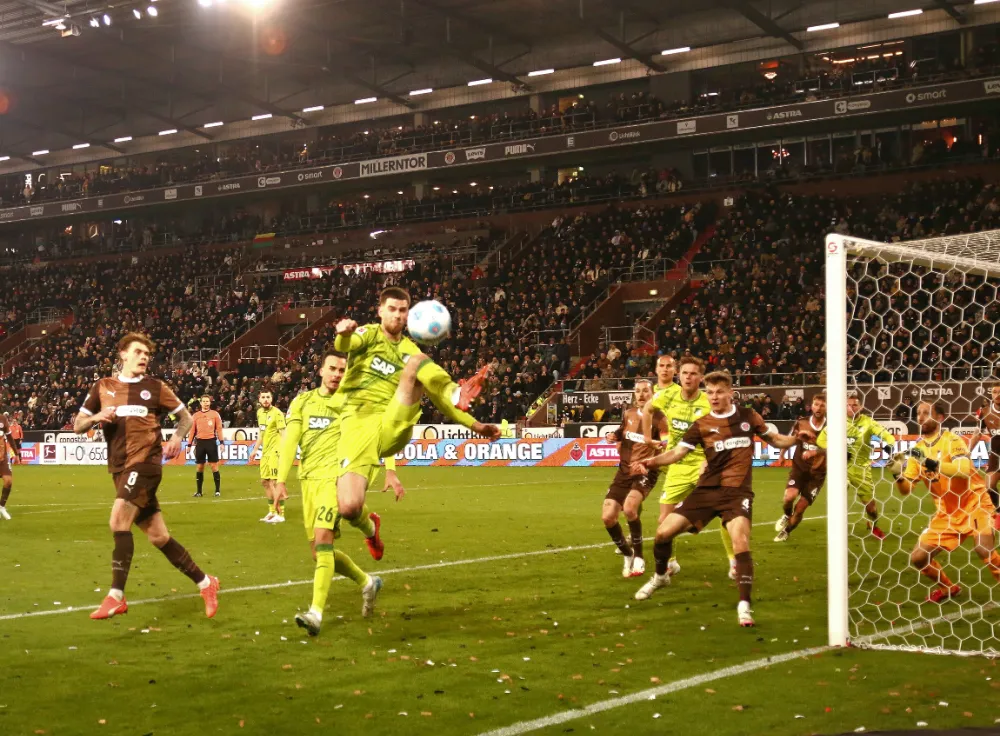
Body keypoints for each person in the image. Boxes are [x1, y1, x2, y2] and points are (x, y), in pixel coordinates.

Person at [333, 287, 499, 558]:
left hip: (392, 422)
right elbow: (346, 346)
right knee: (349, 507)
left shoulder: (411, 351)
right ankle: (370, 529)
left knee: (417, 363)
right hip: (357, 426)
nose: (398, 316)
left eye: (402, 311)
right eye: (392, 310)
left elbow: (437, 398)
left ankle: (457, 390)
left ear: (409, 315)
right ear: (380, 311)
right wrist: (344, 334)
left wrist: (475, 426)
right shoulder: (368, 334)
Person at [631, 371, 798, 627]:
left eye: (719, 391)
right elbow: (676, 453)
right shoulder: (702, 424)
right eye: (709, 392)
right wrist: (649, 463)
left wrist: (797, 439)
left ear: (731, 392)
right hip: (707, 491)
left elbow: (774, 439)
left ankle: (744, 606)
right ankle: (660, 576)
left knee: (740, 541)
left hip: (737, 494)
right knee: (664, 533)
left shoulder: (748, 417)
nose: (714, 397)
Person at [76, 332, 219, 620]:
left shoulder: (155, 387)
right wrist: (96, 418)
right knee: (158, 536)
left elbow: (186, 418)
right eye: (138, 352)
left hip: (146, 464)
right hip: (119, 467)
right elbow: (78, 424)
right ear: (123, 354)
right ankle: (206, 583)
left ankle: (116, 596)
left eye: (147, 354)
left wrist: (178, 438)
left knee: (118, 520)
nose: (144, 358)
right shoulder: (103, 387)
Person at [274, 349, 386, 636]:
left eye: (342, 370)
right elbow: (291, 440)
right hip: (309, 481)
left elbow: (381, 432)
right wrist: (280, 478)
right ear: (321, 370)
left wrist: (392, 469)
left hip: (335, 479)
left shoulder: (352, 403)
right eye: (332, 368)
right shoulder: (303, 402)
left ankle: (316, 613)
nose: (337, 373)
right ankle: (367, 582)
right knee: (318, 553)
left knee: (323, 543)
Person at [889, 401, 1000, 603]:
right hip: (947, 514)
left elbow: (963, 470)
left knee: (983, 549)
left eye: (926, 413)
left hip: (975, 503)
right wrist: (898, 475)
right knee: (919, 558)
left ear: (939, 418)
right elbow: (906, 490)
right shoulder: (917, 451)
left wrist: (929, 462)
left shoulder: (952, 440)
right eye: (918, 413)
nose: (920, 417)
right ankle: (949, 587)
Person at [643, 356, 734, 578]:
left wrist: (710, 457)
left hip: (706, 464)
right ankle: (671, 563)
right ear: (679, 375)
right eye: (684, 373)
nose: (688, 377)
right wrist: (647, 438)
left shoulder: (708, 401)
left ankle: (734, 561)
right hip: (677, 464)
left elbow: (726, 426)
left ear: (700, 378)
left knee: (727, 513)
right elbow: (647, 409)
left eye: (693, 374)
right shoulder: (666, 396)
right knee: (664, 519)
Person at [603, 379, 666, 578]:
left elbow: (667, 441)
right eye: (637, 391)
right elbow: (623, 432)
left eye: (645, 391)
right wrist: (614, 435)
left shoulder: (660, 418)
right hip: (624, 471)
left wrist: (657, 449)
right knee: (608, 517)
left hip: (646, 471)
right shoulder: (629, 414)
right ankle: (627, 554)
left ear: (652, 393)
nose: (640, 395)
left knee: (630, 508)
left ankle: (639, 556)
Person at [774, 393, 827, 542]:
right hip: (799, 469)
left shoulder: (831, 427)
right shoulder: (801, 423)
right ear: (811, 406)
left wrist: (815, 451)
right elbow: (791, 439)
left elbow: (837, 448)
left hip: (817, 474)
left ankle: (787, 530)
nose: (818, 408)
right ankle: (786, 515)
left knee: (800, 508)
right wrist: (782, 455)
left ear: (827, 407)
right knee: (788, 498)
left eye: (822, 405)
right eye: (816, 404)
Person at [847, 395, 896, 539]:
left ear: (860, 407)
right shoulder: (838, 422)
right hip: (842, 469)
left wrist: (890, 445)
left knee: (872, 508)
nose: (851, 407)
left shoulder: (868, 423)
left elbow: (886, 435)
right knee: (838, 498)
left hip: (861, 470)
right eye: (848, 405)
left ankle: (873, 524)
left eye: (855, 405)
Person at [249, 388, 287, 523]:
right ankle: (272, 512)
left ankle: (280, 514)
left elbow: (284, 434)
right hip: (265, 452)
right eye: (263, 397)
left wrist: (284, 452)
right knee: (265, 482)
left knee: (275, 482)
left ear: (272, 399)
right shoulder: (259, 413)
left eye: (268, 397)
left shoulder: (277, 414)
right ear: (259, 399)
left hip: (276, 452)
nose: (265, 399)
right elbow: (261, 433)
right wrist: (255, 450)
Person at [973, 384, 1000, 530]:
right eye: (995, 392)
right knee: (989, 486)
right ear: (991, 394)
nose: (997, 394)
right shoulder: (984, 412)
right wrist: (967, 452)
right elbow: (977, 433)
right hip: (996, 454)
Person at [188, 395, 223, 497]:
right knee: (199, 467)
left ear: (210, 403)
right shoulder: (195, 416)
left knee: (214, 466)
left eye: (207, 401)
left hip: (211, 442)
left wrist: (221, 443)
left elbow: (219, 429)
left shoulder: (215, 414)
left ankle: (217, 490)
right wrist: (189, 444)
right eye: (204, 401)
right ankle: (199, 491)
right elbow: (192, 431)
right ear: (201, 403)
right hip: (200, 443)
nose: (206, 403)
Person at [0, 411, 20, 520]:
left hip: (2, 457)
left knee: (8, 481)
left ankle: (1, 507)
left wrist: (16, 454)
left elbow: (10, 438)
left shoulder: (3, 419)